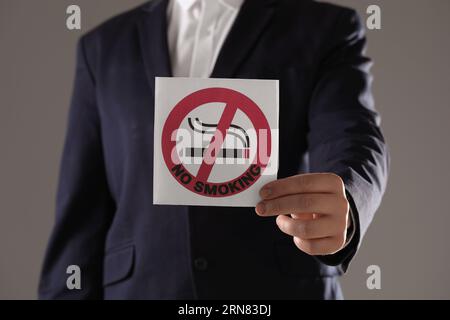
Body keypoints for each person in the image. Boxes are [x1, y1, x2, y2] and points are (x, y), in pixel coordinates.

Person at [39, 0, 389, 299]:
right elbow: (81, 209)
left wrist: (348, 198)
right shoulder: (103, 47)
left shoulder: (324, 28)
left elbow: (351, 136)